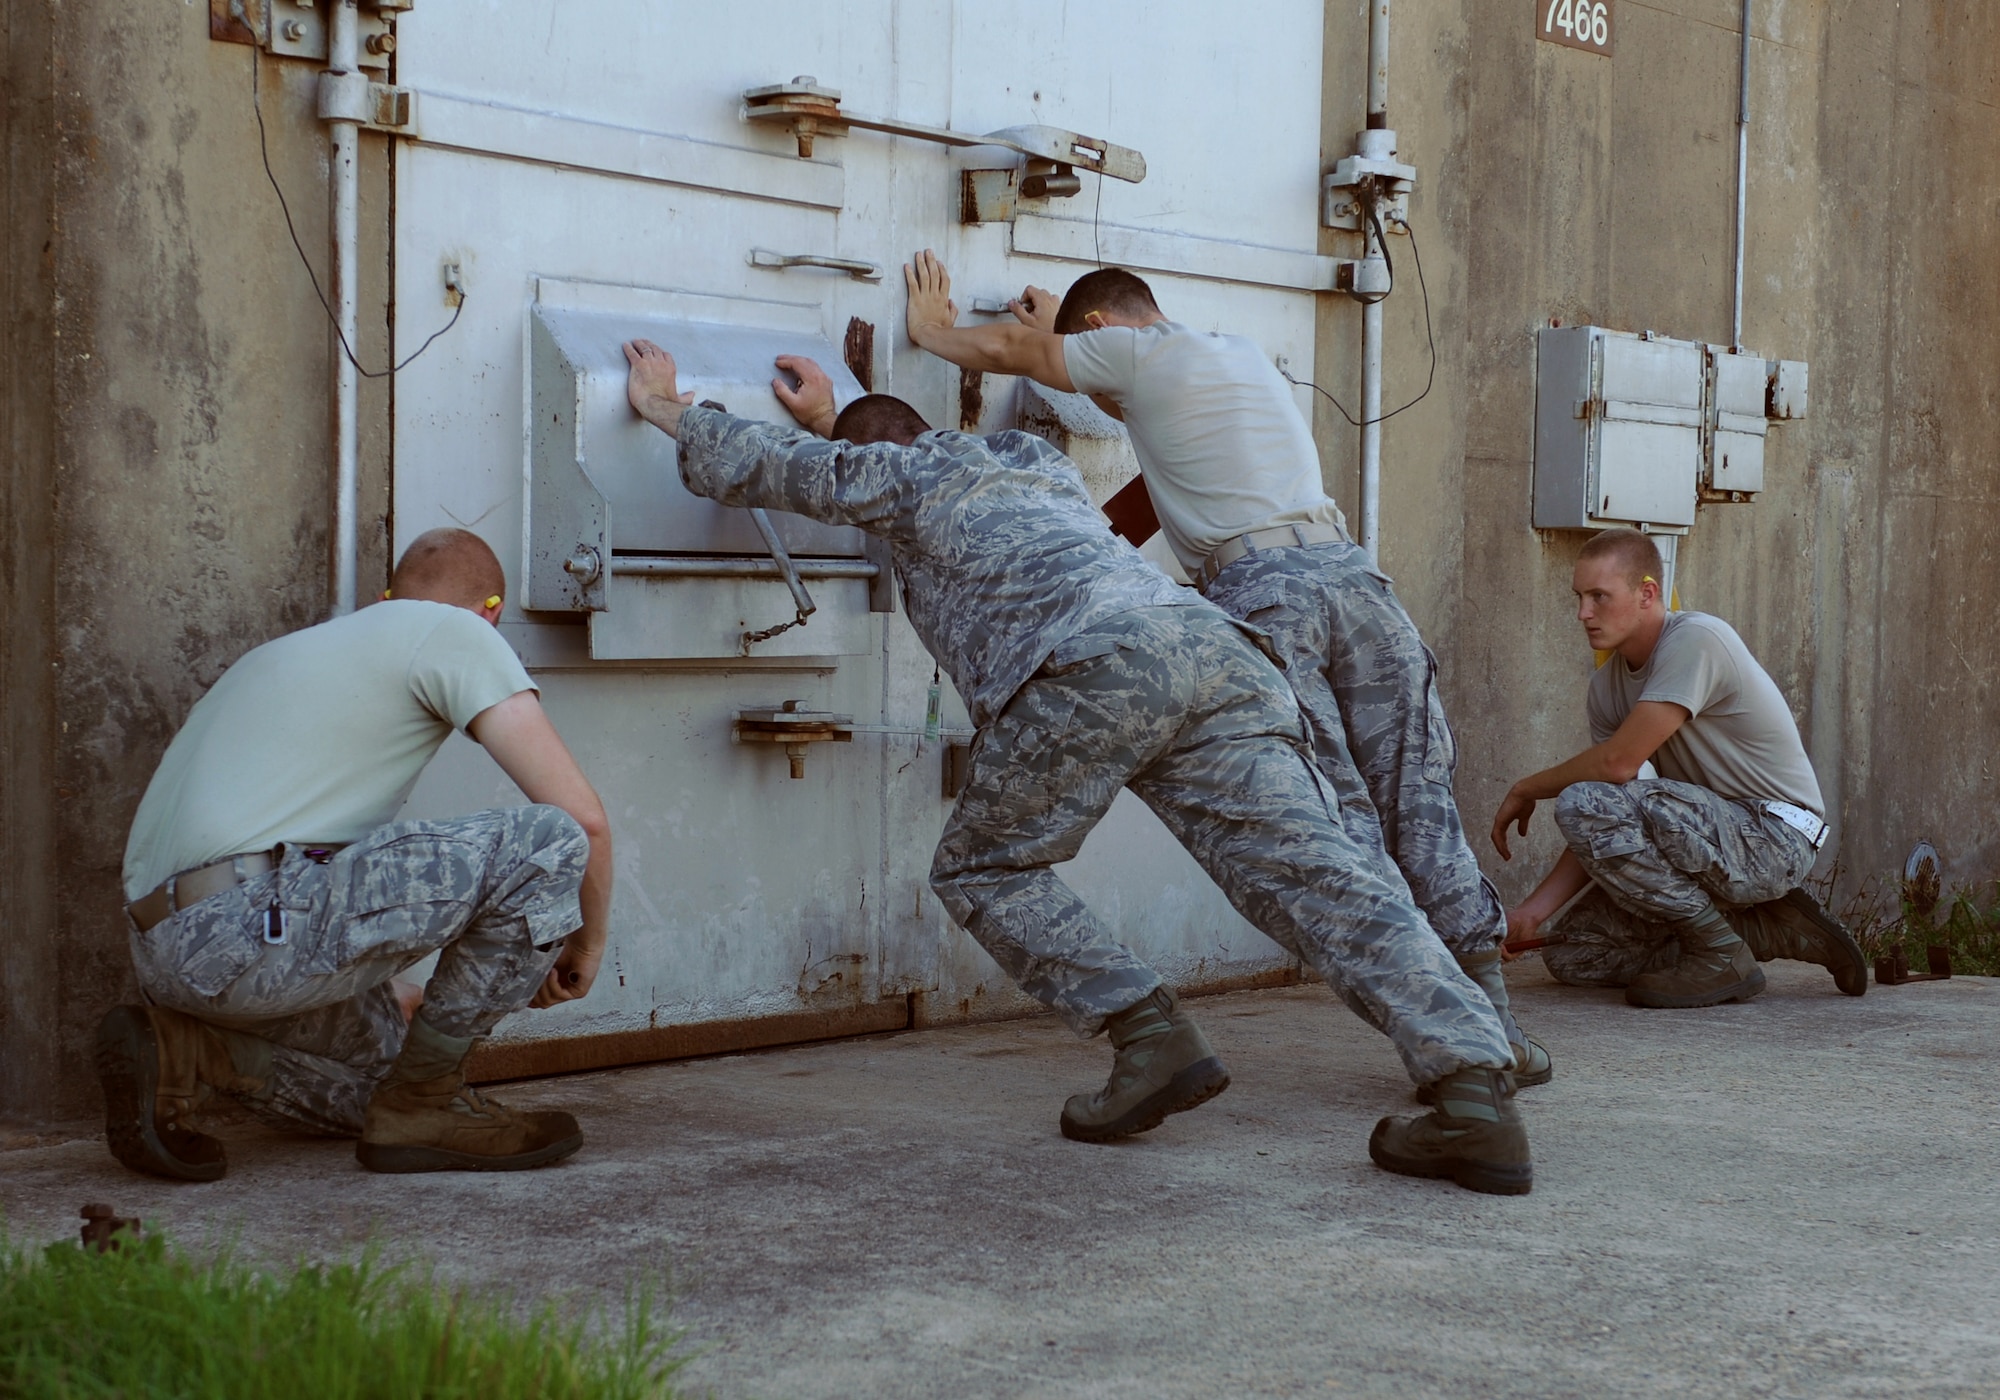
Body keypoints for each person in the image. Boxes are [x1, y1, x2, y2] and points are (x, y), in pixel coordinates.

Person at [624, 339, 1534, 1195]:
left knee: (983, 866)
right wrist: (839, 415)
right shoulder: (1035, 465)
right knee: (1321, 874)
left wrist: (670, 409)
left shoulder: (902, 478)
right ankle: (1473, 1086)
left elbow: (791, 472)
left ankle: (1148, 1035)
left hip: (1091, 664)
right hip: (1215, 653)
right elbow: (880, 449)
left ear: (878, 459)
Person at [896, 252, 1549, 1094]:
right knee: (1417, 800)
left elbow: (1014, 357)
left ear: (1099, 330)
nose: (1097, 402)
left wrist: (932, 333)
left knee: (1336, 822)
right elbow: (1142, 502)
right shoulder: (1240, 356)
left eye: (1093, 377)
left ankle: (1456, 1051)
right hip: (1356, 583)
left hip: (1272, 597)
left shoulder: (1133, 351)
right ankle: (1497, 1027)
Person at [100, 528, 614, 1180]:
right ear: (491, 613)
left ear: (386, 596)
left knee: (387, 1075)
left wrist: (382, 981)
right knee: (548, 841)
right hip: (243, 923)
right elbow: (584, 823)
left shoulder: (282, 655)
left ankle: (188, 1055)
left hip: (171, 953)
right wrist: (584, 947)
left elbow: (297, 852)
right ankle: (431, 1103)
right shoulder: (456, 632)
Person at [1491, 527, 1867, 1005]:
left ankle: (1719, 951)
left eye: (1599, 596)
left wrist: (1527, 787)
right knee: (1579, 952)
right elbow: (1611, 818)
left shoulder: (1697, 639)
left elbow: (1617, 765)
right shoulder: (1606, 690)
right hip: (1702, 838)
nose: (1583, 613)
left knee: (1582, 797)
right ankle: (1767, 931)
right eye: (1580, 597)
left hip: (1774, 836)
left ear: (1647, 593)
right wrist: (1532, 912)